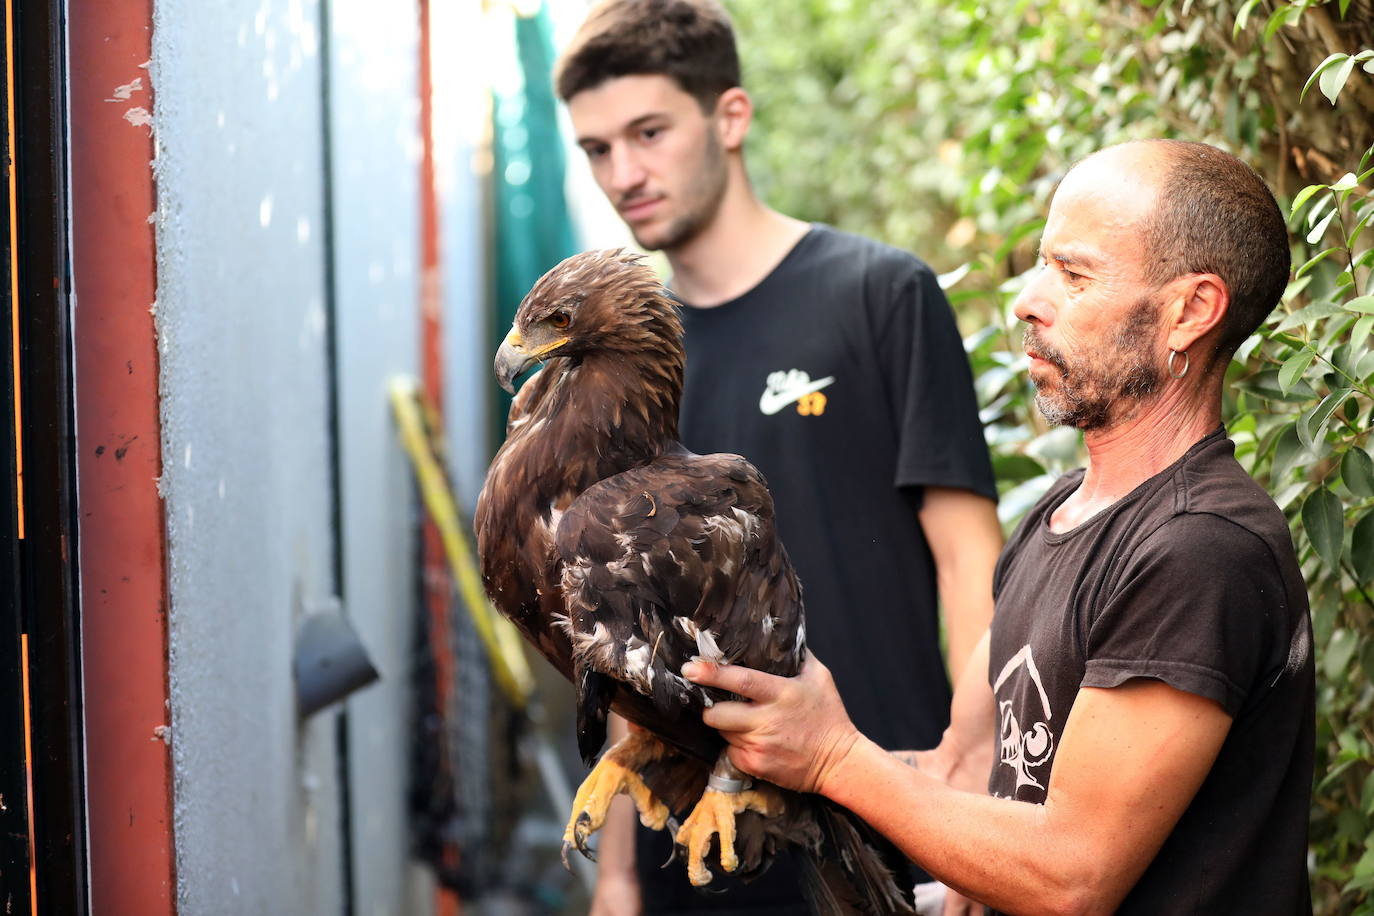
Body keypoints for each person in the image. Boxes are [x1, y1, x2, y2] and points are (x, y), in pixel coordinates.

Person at [684, 139, 1315, 915]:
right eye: (1042, 264)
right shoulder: (1056, 517)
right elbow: (963, 769)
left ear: (1190, 311)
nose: (1028, 299)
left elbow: (1071, 873)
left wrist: (833, 755)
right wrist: (752, 739)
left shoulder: (1202, 547)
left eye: (1073, 274)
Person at [554, 1, 1004, 912]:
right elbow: (618, 630)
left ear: (730, 116)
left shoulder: (880, 295)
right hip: (694, 854)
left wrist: (971, 780)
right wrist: (615, 877)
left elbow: (972, 560)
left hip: (881, 819)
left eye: (648, 132)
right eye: (598, 149)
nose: (624, 173)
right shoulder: (609, 370)